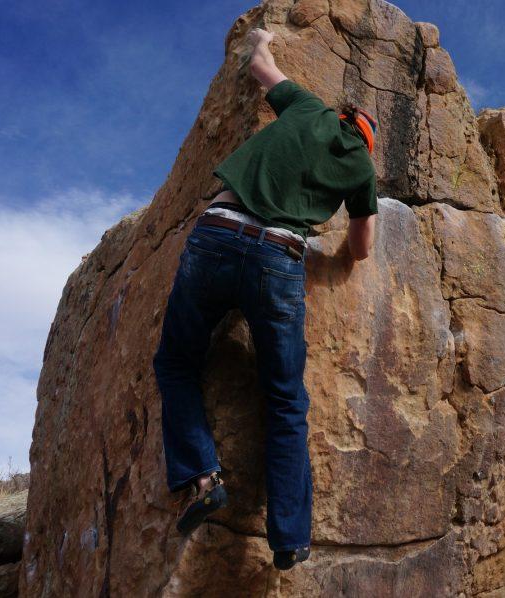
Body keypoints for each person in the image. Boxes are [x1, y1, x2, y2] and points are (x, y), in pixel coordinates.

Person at [151, 27, 378, 571]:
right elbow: (363, 247)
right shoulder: (363, 167)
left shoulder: (305, 107)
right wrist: (339, 243)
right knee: (284, 401)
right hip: (280, 256)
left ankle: (203, 477)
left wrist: (263, 36)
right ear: (366, 141)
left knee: (177, 362)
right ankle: (289, 539)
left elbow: (260, 65)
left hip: (218, 232)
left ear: (342, 116)